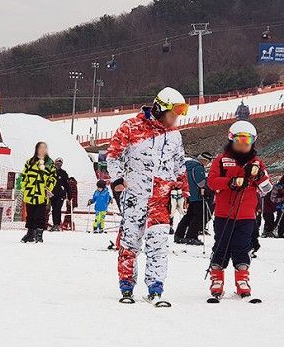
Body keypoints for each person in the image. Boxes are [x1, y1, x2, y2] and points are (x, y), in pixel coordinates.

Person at [107, 87, 189, 306]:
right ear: (161, 108)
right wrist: (117, 179)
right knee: (130, 243)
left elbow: (179, 166)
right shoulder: (131, 127)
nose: (176, 118)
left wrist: (183, 191)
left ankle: (155, 287)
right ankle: (126, 286)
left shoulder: (174, 135)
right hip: (135, 197)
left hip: (161, 200)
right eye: (174, 113)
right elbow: (113, 155)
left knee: (158, 245)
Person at [207, 121, 272, 300]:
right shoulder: (221, 160)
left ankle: (242, 280)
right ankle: (217, 280)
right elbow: (211, 183)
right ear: (231, 139)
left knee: (242, 247)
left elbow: (267, 189)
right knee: (221, 246)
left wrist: (259, 176)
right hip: (223, 214)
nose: (244, 144)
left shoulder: (257, 163)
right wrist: (230, 182)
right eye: (240, 140)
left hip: (247, 215)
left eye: (248, 141)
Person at [20, 141, 57, 243]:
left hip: (41, 193)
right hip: (30, 192)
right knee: (30, 214)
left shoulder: (50, 164)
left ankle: (39, 234)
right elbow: (23, 175)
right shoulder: (30, 162)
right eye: (40, 148)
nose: (42, 150)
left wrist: (48, 188)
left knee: (40, 214)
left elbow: (53, 177)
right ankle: (30, 233)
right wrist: (25, 187)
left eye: (45, 148)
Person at [174, 151, 214, 245]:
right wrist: (208, 181)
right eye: (207, 162)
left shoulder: (187, 166)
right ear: (204, 160)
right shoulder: (198, 167)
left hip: (190, 194)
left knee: (189, 215)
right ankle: (191, 236)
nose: (207, 164)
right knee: (198, 217)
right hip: (199, 195)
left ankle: (179, 234)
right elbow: (201, 183)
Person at [49, 158, 70, 231]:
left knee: (58, 209)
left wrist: (69, 197)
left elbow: (67, 185)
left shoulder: (63, 173)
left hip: (61, 194)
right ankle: (55, 224)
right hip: (52, 194)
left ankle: (57, 224)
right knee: (54, 209)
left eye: (60, 163)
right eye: (57, 163)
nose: (58, 165)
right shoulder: (51, 172)